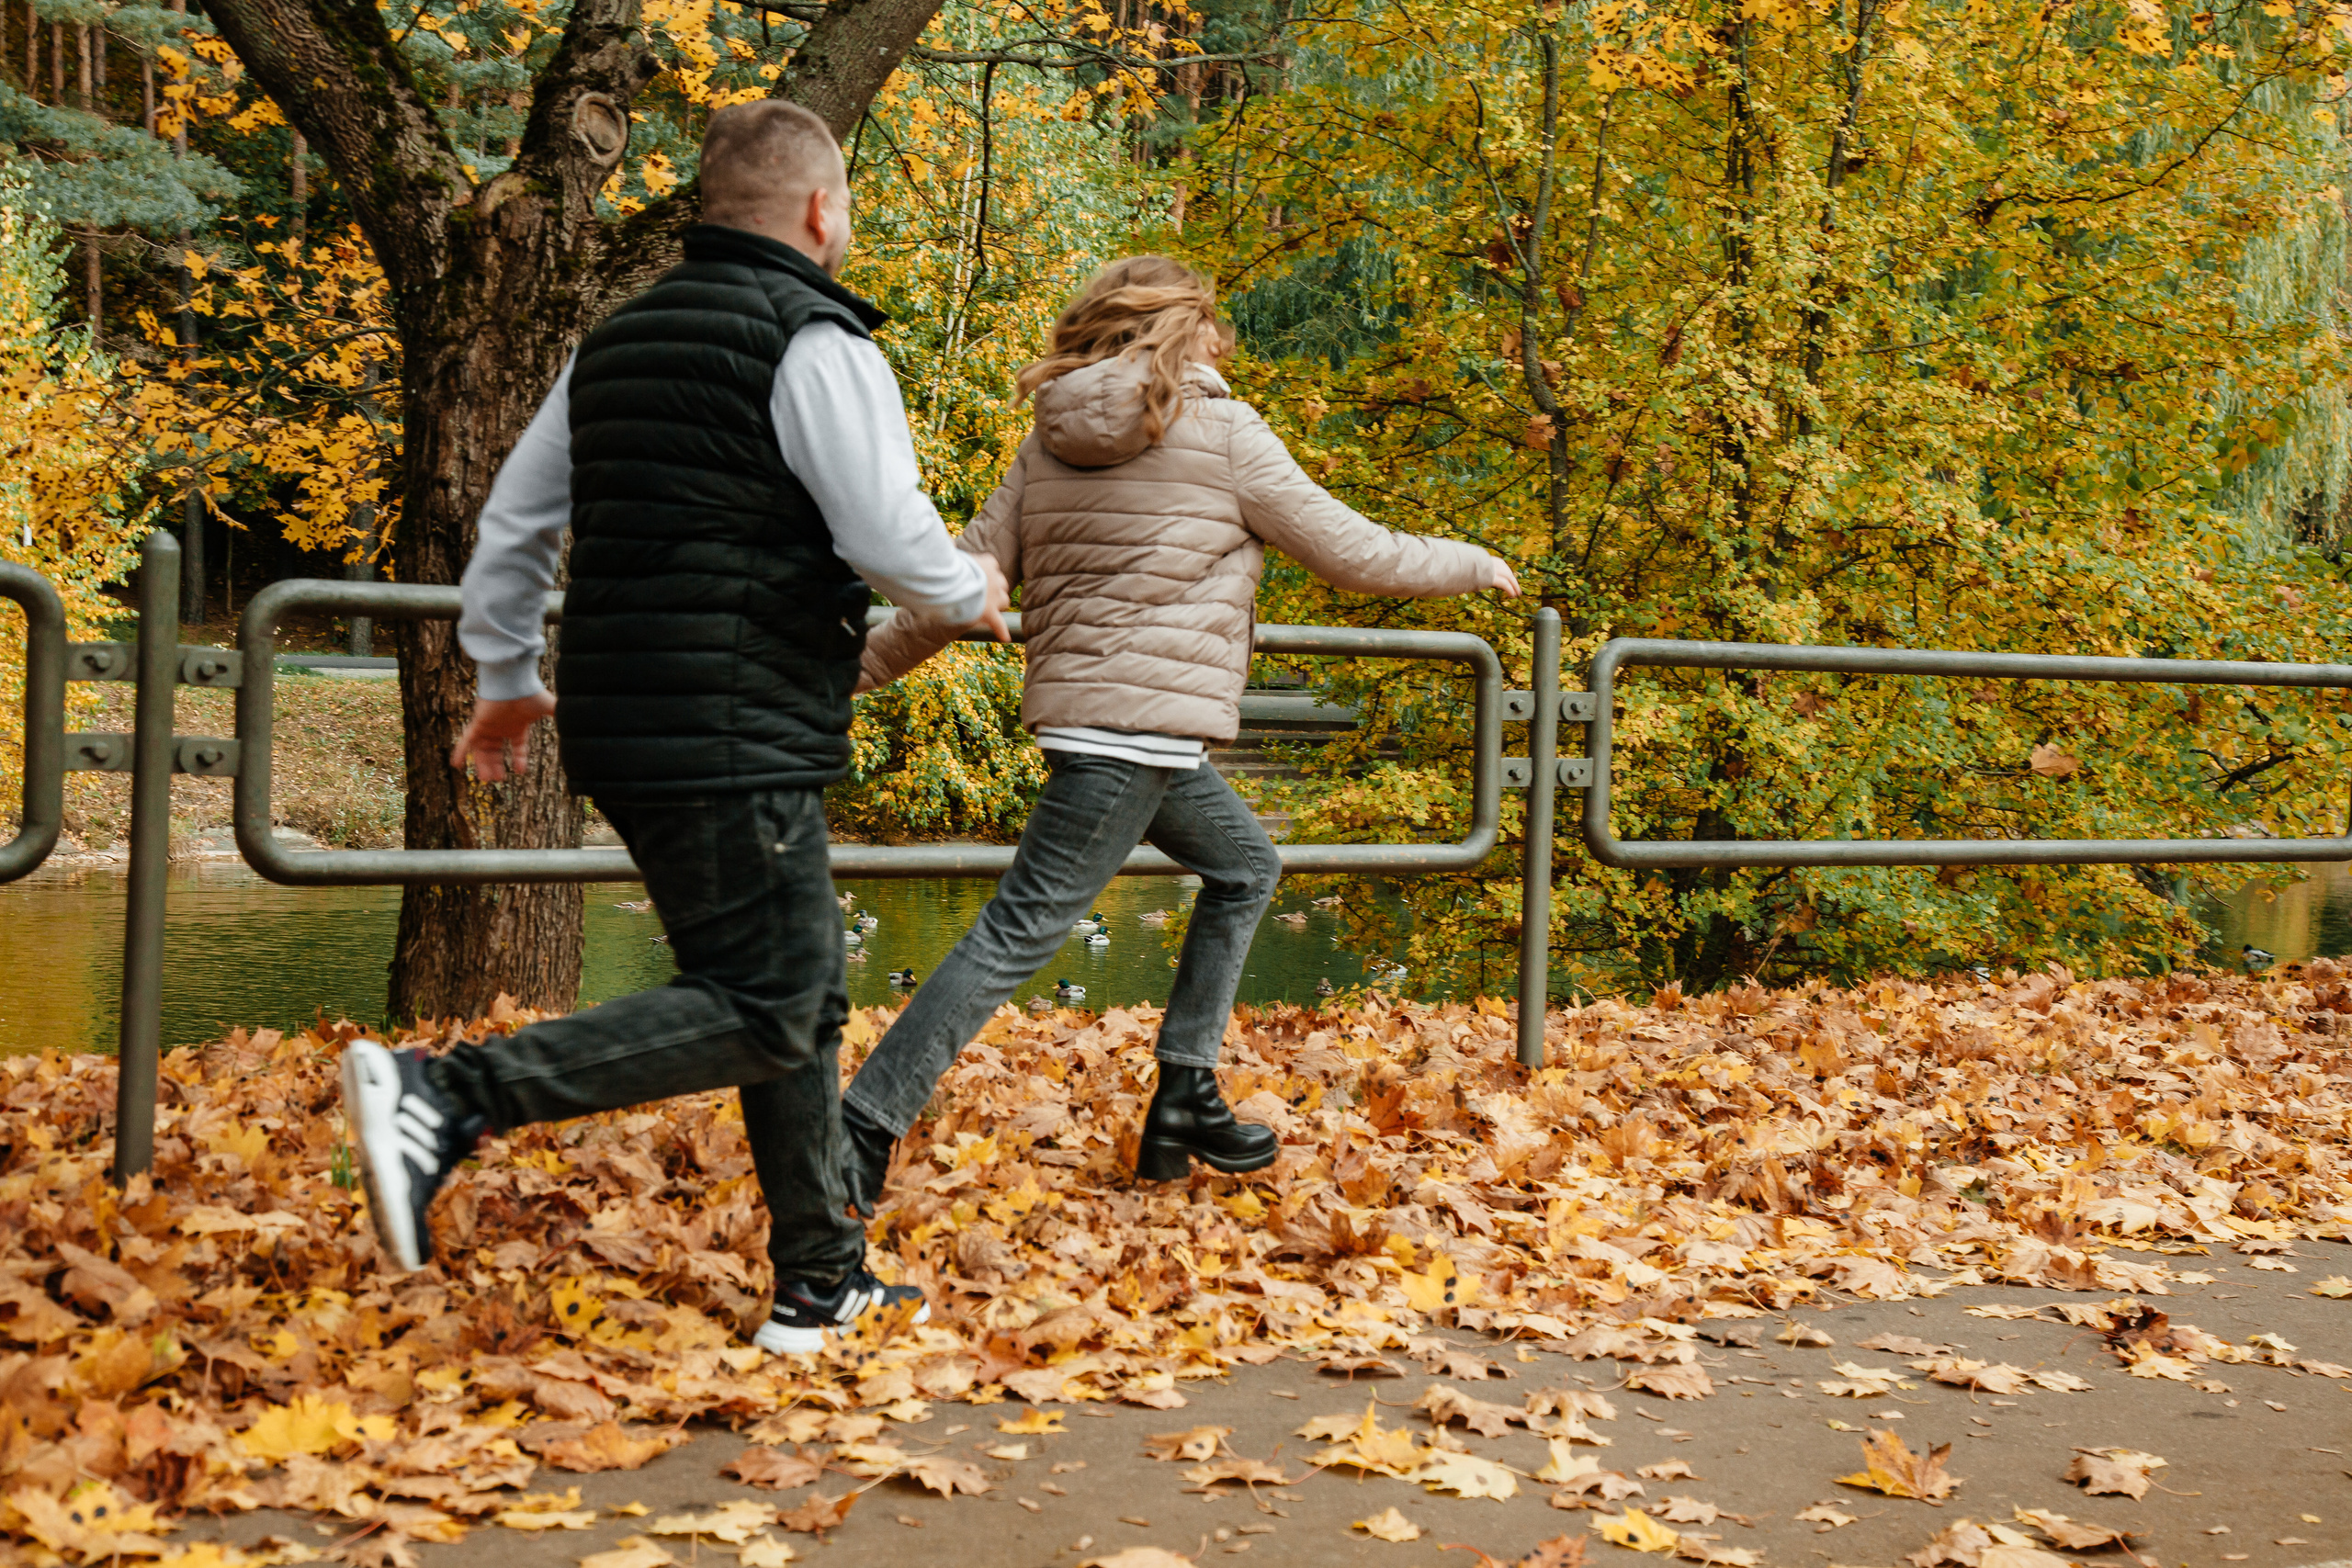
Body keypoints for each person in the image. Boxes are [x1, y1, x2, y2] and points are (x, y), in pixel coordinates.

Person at [335, 100, 1011, 1355]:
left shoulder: (615, 341)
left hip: (628, 716)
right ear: (821, 210)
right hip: (735, 718)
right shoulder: (816, 338)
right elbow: (884, 532)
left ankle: (820, 1280)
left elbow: (515, 521)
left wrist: (504, 673)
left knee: (789, 992)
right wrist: (970, 588)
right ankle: (448, 1094)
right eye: (846, 206)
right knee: (773, 1004)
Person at [838, 256, 1520, 1212]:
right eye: (1214, 330)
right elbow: (1351, 552)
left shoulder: (1047, 444)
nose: (1222, 346)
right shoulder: (1225, 432)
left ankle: (1183, 1098)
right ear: (1188, 330)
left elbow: (954, 587)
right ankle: (861, 1125)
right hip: (1140, 735)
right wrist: (1469, 562)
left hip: (1101, 728)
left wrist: (849, 673)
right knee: (1017, 932)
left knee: (1245, 866)